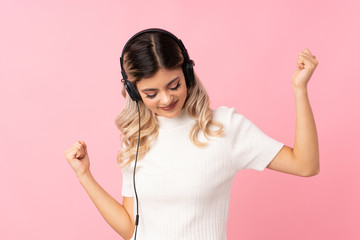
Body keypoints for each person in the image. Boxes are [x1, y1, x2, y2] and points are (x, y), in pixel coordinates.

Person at [64, 28, 319, 240]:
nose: (166, 99)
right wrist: (84, 175)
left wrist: (299, 89)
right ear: (134, 92)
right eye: (151, 94)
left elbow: (305, 165)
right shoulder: (138, 139)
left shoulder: (224, 127)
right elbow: (132, 228)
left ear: (187, 73)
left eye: (174, 85)